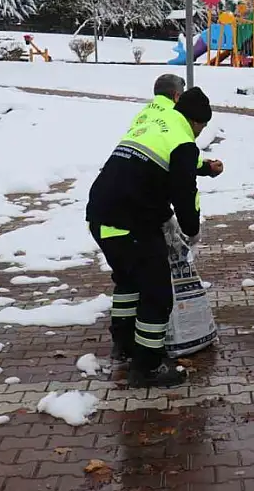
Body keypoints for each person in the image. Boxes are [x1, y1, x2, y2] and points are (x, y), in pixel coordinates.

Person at [85, 86, 214, 387]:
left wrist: (205, 167)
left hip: (101, 216)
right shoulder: (183, 140)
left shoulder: (158, 123)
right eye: (203, 127)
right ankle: (147, 366)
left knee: (129, 281)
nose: (201, 133)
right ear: (196, 122)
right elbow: (184, 193)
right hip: (131, 224)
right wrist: (191, 231)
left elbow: (171, 164)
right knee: (156, 294)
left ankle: (124, 343)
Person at [131, 74, 224, 177]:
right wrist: (207, 168)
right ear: (177, 96)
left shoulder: (143, 114)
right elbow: (182, 154)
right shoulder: (174, 115)